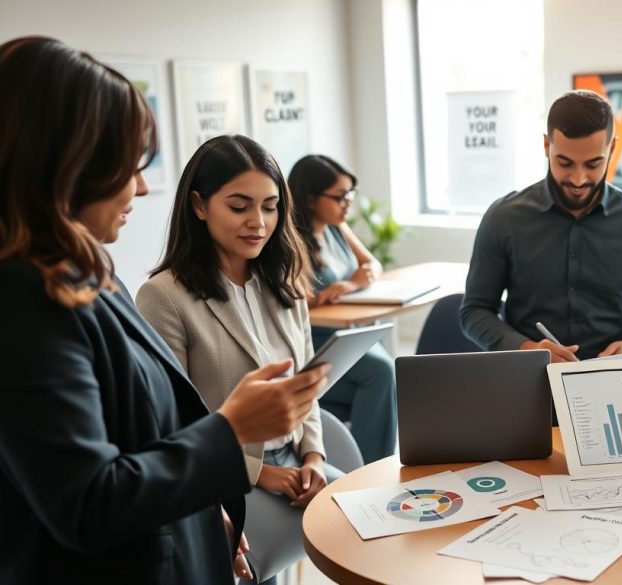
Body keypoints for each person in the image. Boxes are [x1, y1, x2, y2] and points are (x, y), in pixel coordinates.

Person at [0, 37, 329, 584]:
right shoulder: (21, 300)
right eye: (125, 168)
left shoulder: (88, 273)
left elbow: (152, 436)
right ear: (62, 168)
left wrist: (212, 510)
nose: (142, 187)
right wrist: (232, 431)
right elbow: (88, 502)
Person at [137, 136, 342, 584]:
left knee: (374, 525)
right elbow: (171, 424)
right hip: (221, 477)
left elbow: (306, 387)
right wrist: (257, 472)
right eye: (239, 206)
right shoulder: (165, 297)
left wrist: (312, 455)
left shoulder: (283, 280)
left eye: (270, 207)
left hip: (294, 461)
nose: (259, 222)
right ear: (199, 205)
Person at [460, 90, 622, 362]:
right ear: (546, 146)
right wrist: (528, 350)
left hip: (613, 378)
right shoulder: (504, 218)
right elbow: (474, 311)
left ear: (612, 149)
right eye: (564, 163)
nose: (578, 179)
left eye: (593, 164)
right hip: (528, 376)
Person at [288, 154, 397, 463]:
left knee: (383, 377)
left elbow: (371, 264)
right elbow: (291, 299)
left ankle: (367, 464)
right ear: (310, 199)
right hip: (315, 341)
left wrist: (351, 285)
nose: (348, 203)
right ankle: (367, 470)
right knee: (381, 373)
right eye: (339, 196)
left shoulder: (337, 226)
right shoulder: (291, 238)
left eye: (350, 194)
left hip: (346, 332)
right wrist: (316, 297)